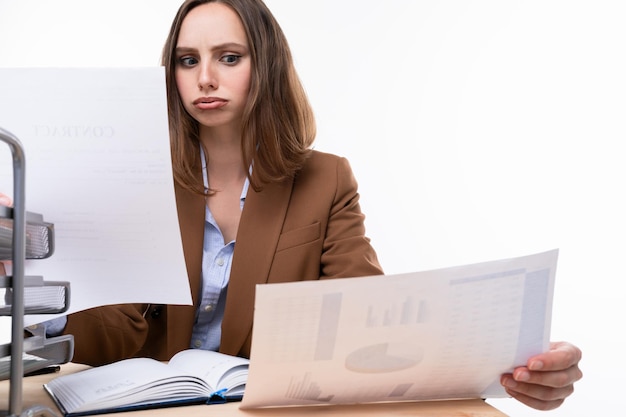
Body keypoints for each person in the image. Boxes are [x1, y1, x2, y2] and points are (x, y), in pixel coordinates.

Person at [0, 0, 582, 411]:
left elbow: (366, 310)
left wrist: (509, 359)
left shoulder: (325, 179)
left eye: (230, 57)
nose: (205, 77)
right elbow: (119, 325)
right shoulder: (137, 174)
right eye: (186, 60)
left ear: (266, 66)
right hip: (149, 409)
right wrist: (33, 283)